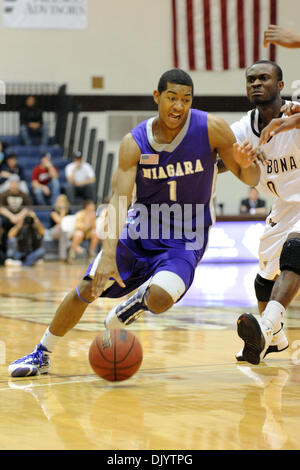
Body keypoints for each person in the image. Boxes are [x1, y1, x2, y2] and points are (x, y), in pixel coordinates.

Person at [8, 68, 262, 377]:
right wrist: (108, 254)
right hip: (140, 230)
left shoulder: (212, 128)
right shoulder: (135, 142)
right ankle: (41, 353)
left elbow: (250, 177)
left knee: (161, 296)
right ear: (157, 97)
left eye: (186, 99)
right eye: (172, 98)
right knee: (88, 287)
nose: (179, 106)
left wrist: (248, 166)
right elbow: (118, 199)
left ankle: (132, 306)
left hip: (186, 236)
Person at [229, 60, 300, 365]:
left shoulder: (295, 112)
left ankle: (268, 326)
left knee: (295, 251)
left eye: (264, 78)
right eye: (251, 79)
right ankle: (276, 341)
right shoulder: (242, 129)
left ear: (280, 86)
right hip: (283, 205)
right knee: (263, 279)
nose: (256, 83)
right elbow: (222, 164)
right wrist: (238, 161)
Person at [0, 175, 32, 251]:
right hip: (7, 219)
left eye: (15, 183)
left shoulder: (24, 195)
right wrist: (12, 217)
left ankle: (25, 250)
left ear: (18, 184)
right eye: (12, 183)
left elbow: (27, 208)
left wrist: (18, 217)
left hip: (20, 219)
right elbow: (1, 208)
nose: (14, 185)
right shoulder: (4, 194)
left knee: (28, 222)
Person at [47, 194, 71, 261]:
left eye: (62, 201)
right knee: (61, 227)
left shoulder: (69, 211)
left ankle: (63, 258)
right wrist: (62, 211)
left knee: (63, 231)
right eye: (59, 201)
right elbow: (61, 222)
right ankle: (69, 244)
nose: (61, 203)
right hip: (53, 231)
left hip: (64, 232)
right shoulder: (53, 211)